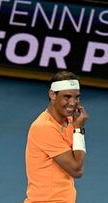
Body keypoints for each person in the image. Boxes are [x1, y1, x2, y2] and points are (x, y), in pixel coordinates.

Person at [23, 70, 89, 203]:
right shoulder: (44, 127)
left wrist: (77, 128)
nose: (73, 102)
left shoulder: (70, 121)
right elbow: (77, 170)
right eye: (67, 97)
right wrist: (79, 130)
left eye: (77, 97)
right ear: (52, 95)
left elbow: (76, 160)